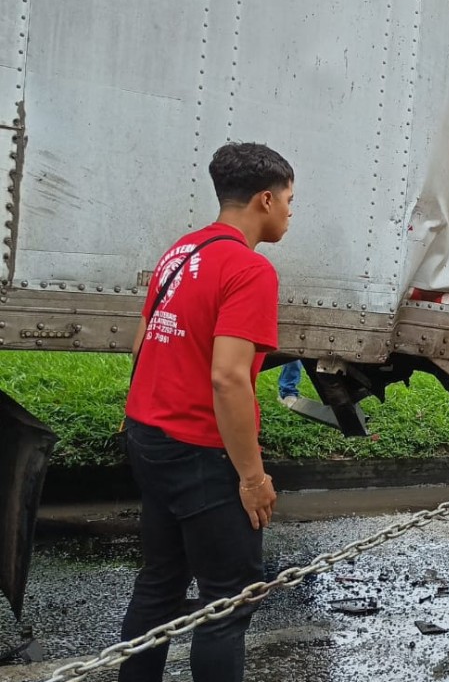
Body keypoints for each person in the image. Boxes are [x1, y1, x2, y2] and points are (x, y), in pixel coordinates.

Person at [119, 142, 294, 682]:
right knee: (229, 601)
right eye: (290, 199)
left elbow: (141, 342)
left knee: (160, 583)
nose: (291, 210)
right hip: (200, 449)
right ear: (265, 199)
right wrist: (251, 477)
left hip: (148, 435)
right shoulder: (249, 269)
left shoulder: (182, 251)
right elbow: (227, 377)